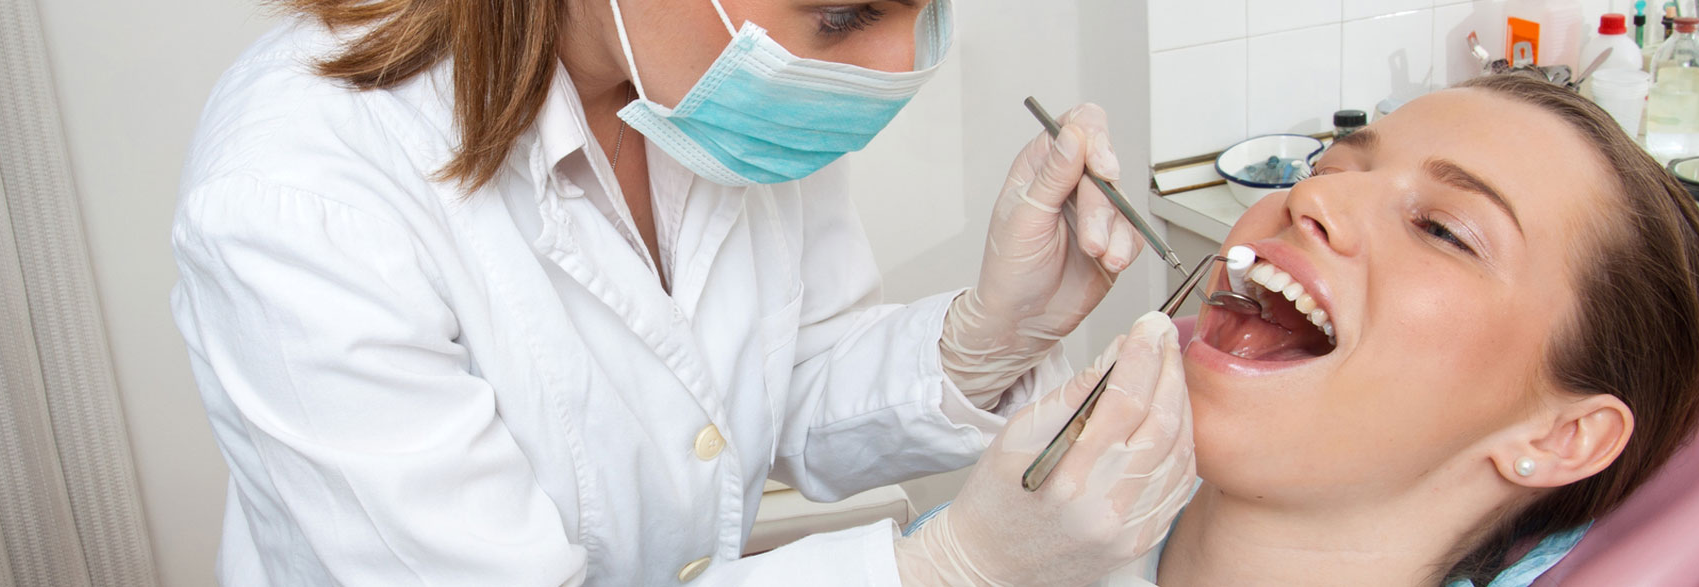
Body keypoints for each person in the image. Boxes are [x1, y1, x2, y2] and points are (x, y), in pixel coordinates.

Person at [168, 0, 1196, 584]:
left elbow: (778, 380)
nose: (889, 68)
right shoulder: (302, 200)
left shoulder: (704, 100)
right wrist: (943, 568)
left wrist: (984, 335)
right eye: (842, 13)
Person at [1100, 73, 1699, 585]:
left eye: (1442, 230)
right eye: (1327, 172)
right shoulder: (1031, 525)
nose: (1311, 200)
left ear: (1560, 437)